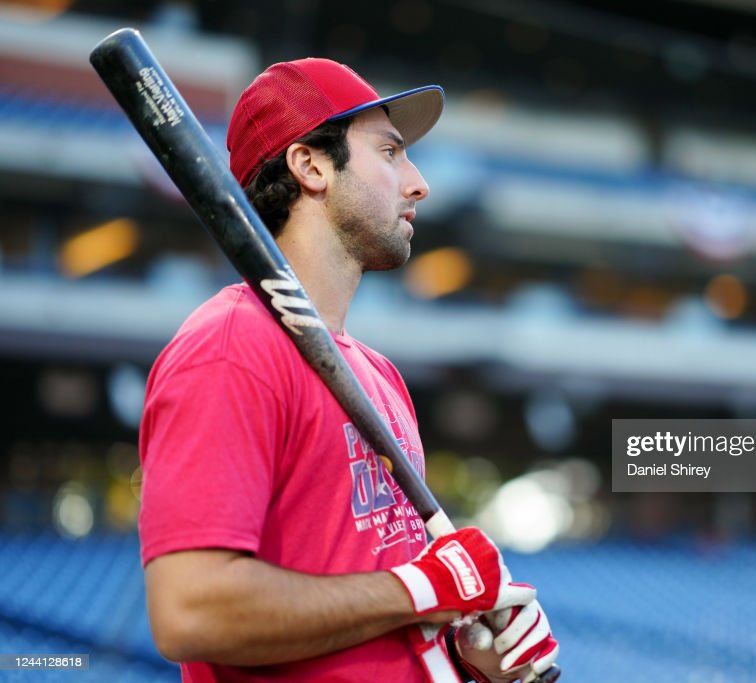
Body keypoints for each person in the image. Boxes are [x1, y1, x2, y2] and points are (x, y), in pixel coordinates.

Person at [138, 58, 559, 683]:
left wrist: (467, 656)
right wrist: (415, 590)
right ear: (311, 166)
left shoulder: (380, 375)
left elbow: (378, 615)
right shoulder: (231, 349)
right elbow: (190, 612)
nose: (418, 184)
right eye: (390, 152)